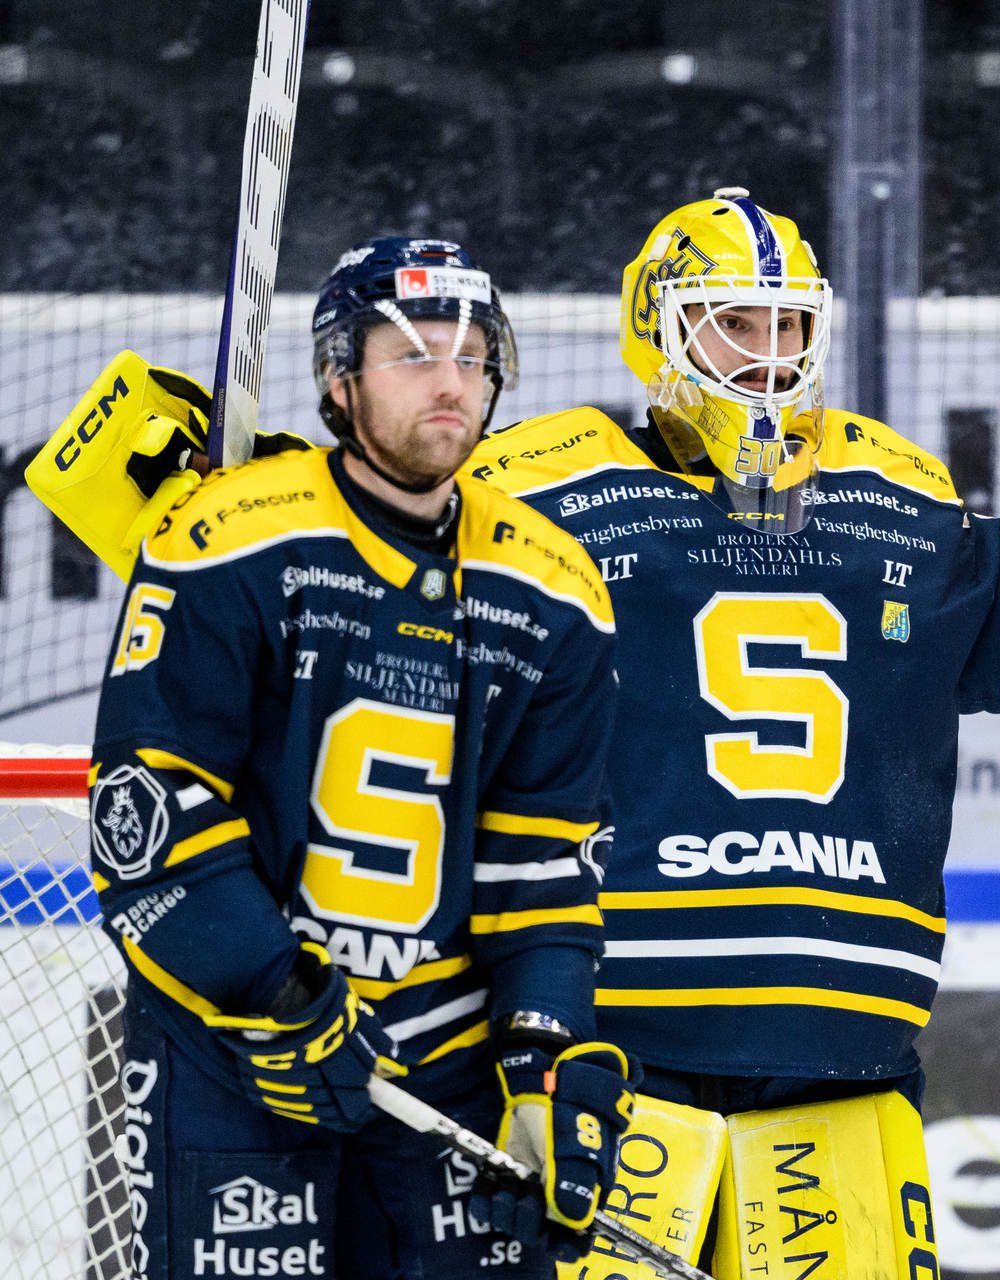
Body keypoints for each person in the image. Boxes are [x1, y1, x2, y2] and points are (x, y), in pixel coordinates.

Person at [462, 188, 1000, 1275]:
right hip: (610, 1045)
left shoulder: (892, 492)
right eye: (735, 322)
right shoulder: (537, 488)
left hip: (845, 1058)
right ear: (658, 326)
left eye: (790, 324)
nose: (769, 356)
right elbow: (388, 584)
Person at [69, 237, 637, 1279]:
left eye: (473, 356)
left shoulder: (555, 586)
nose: (451, 382)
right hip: (236, 1051)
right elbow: (151, 808)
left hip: (444, 1070)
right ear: (339, 379)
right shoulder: (230, 535)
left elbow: (542, 862)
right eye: (413, 355)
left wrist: (540, 1062)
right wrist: (276, 997)